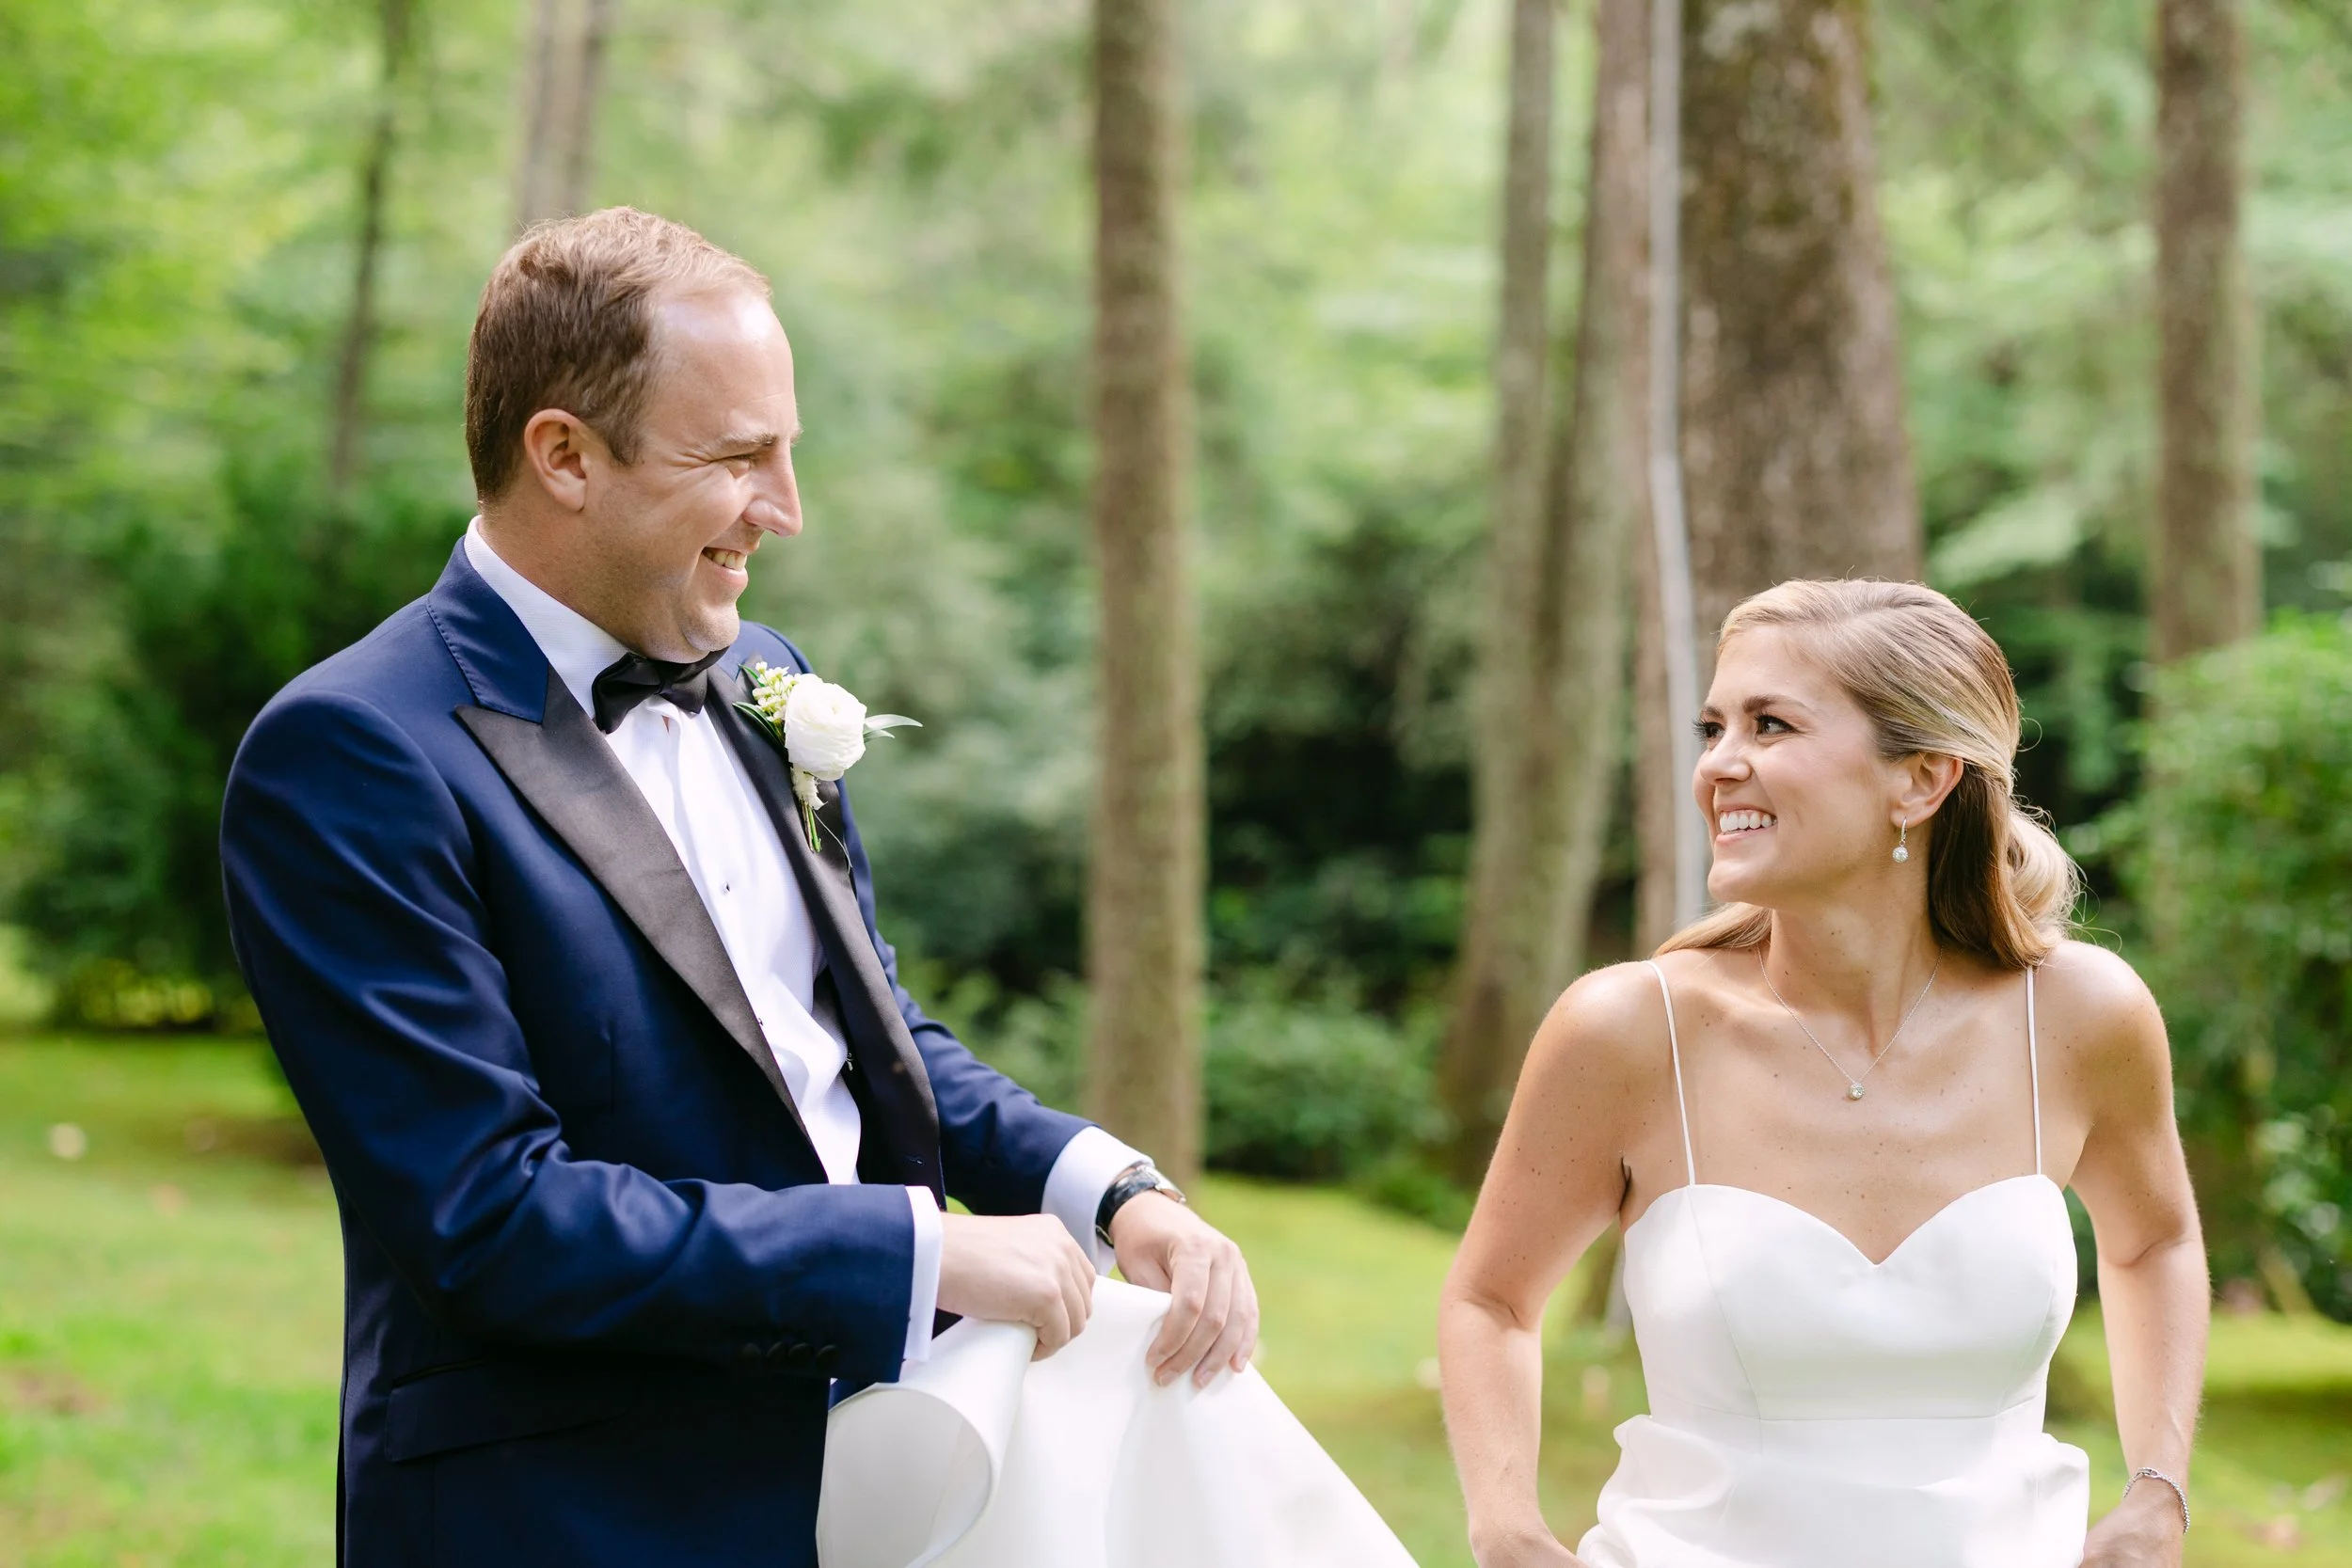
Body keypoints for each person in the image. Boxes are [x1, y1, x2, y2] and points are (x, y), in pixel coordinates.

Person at [218, 208, 1261, 1567]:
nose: (785, 508)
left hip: (876, 1475)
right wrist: (918, 1256)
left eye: (790, 451)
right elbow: (490, 1216)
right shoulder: (354, 750)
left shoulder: (759, 666)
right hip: (569, 1510)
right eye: (737, 459)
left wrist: (1114, 1193)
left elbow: (853, 1031)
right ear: (565, 457)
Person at [1438, 578, 2208, 1568]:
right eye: (1712, 726)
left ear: (1921, 779)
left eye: (1769, 724)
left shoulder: (2077, 1016)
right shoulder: (1631, 1030)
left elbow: (2156, 1241)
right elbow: (1490, 1299)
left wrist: (2159, 1488)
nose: (1719, 764)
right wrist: (1506, 1531)